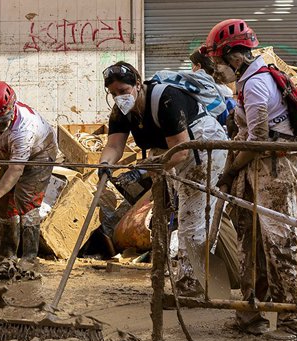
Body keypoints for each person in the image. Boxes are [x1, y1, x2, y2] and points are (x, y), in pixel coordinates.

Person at [205, 19, 297, 341]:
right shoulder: (247, 82)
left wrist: (229, 171)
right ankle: (251, 312)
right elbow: (244, 135)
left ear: (233, 57)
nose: (216, 70)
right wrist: (233, 171)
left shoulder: (256, 84)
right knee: (249, 243)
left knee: (281, 245)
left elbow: (258, 138)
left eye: (218, 62)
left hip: (275, 169)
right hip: (255, 170)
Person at [98, 61, 228, 296]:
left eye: (124, 91)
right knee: (178, 214)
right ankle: (187, 277)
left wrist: (142, 171)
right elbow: (114, 144)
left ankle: (194, 283)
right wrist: (105, 165)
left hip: (202, 148)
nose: (119, 98)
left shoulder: (167, 99)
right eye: (113, 93)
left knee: (194, 218)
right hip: (168, 154)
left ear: (138, 84)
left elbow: (181, 151)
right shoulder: (121, 110)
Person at [0, 81, 58, 271]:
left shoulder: (24, 129)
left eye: (3, 120)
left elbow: (16, 170)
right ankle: (6, 252)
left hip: (39, 154)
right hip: (9, 155)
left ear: (12, 108)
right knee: (3, 203)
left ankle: (30, 257)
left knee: (26, 201)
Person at [190, 49, 237, 135]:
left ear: (198, 67)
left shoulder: (199, 90)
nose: (191, 70)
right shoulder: (224, 89)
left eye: (192, 66)